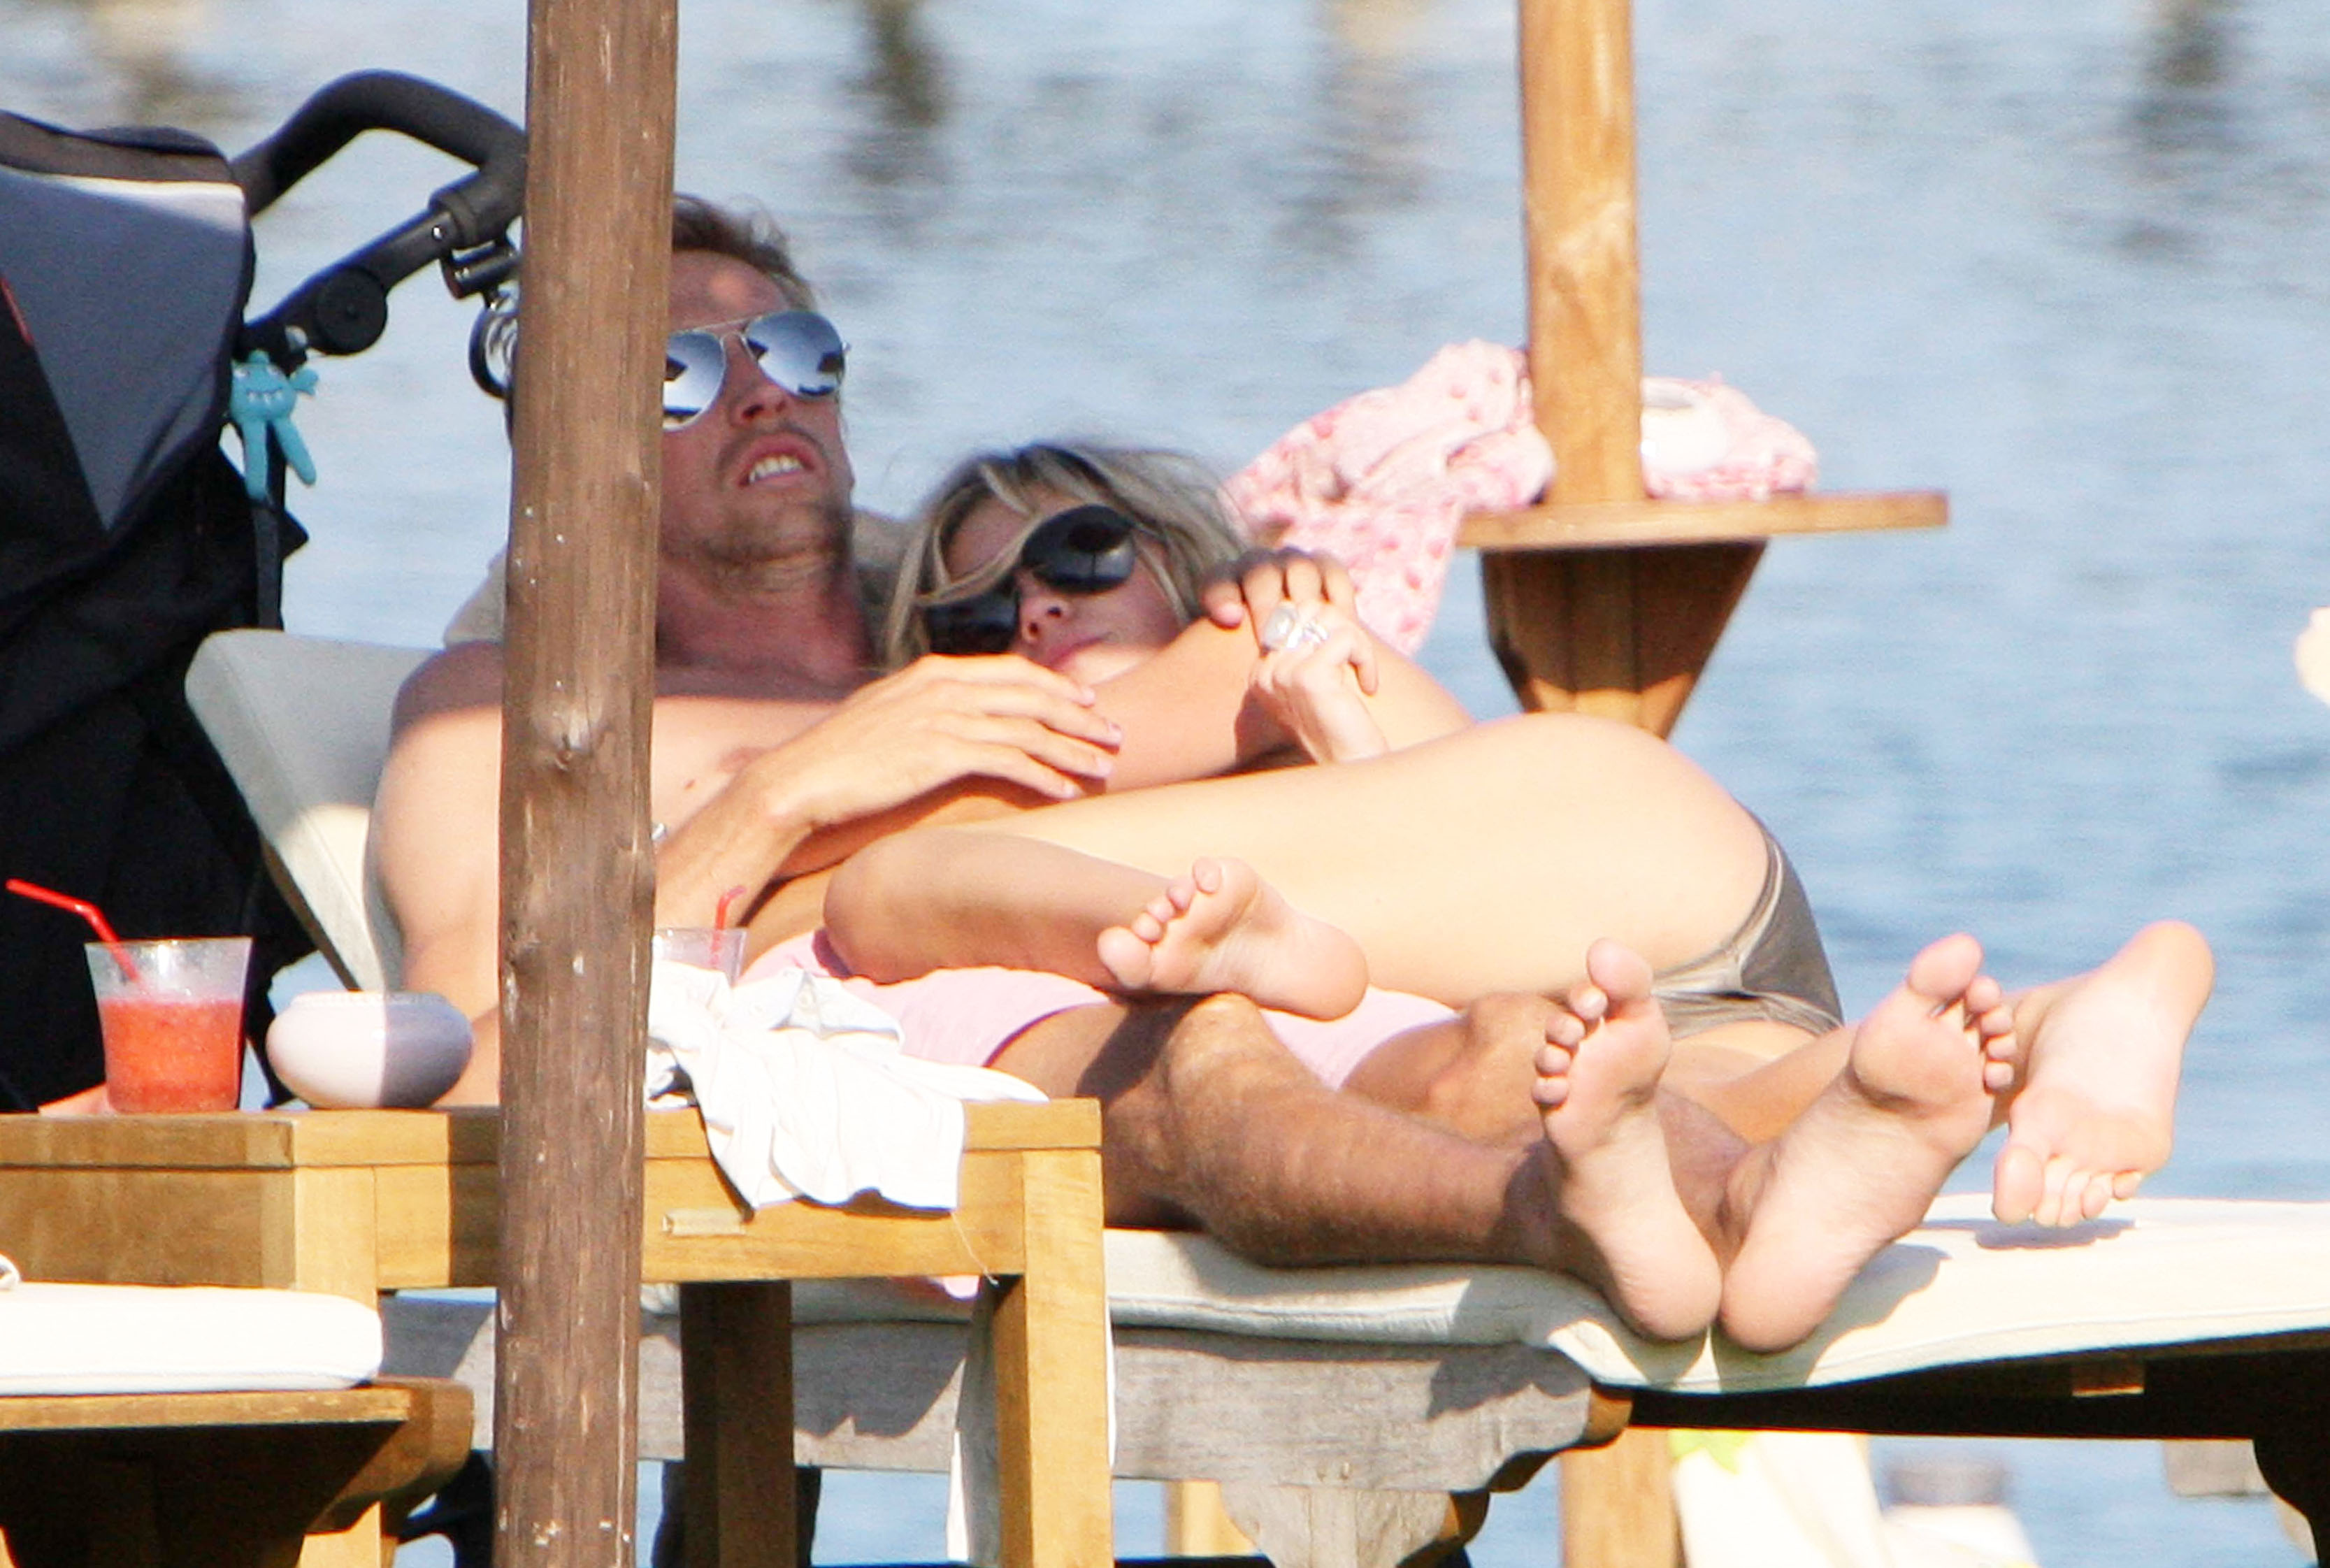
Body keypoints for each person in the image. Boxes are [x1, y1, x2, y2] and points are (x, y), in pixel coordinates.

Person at [374, 196, 2213, 1349]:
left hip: (1599, 865)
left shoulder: (1046, 671)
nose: (763, 391)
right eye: (679, 371)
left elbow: (1308, 696)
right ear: (566, 440)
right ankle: (2003, 1047)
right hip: (1614, 1008)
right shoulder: (500, 712)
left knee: (925, 878)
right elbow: (475, 1075)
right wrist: (786, 794)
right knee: (1602, 1108)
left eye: (789, 347)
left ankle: (1921, 1085)